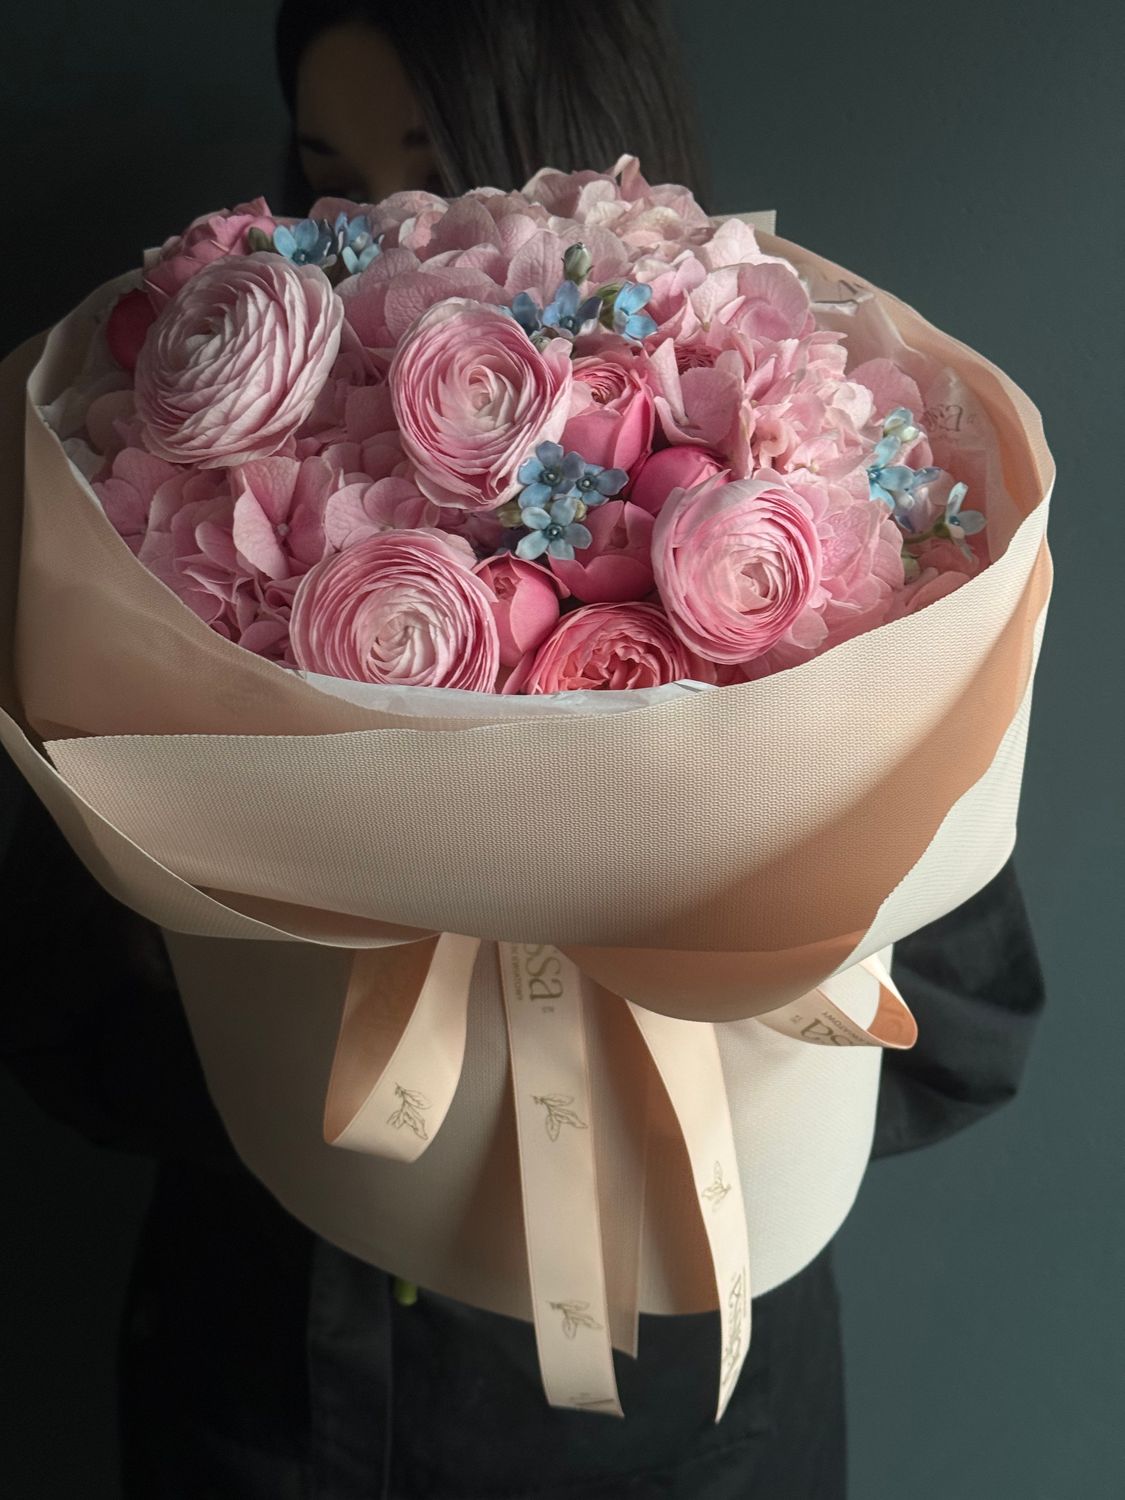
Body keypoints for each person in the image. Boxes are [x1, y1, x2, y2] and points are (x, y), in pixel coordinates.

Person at [0, 3, 1048, 1496]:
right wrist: (292, 973)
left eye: (436, 162)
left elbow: (967, 1028)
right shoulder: (182, 559)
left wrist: (671, 991)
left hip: (679, 1429)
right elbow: (58, 1012)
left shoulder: (844, 609)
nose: (382, 223)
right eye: (328, 172)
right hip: (271, 1382)